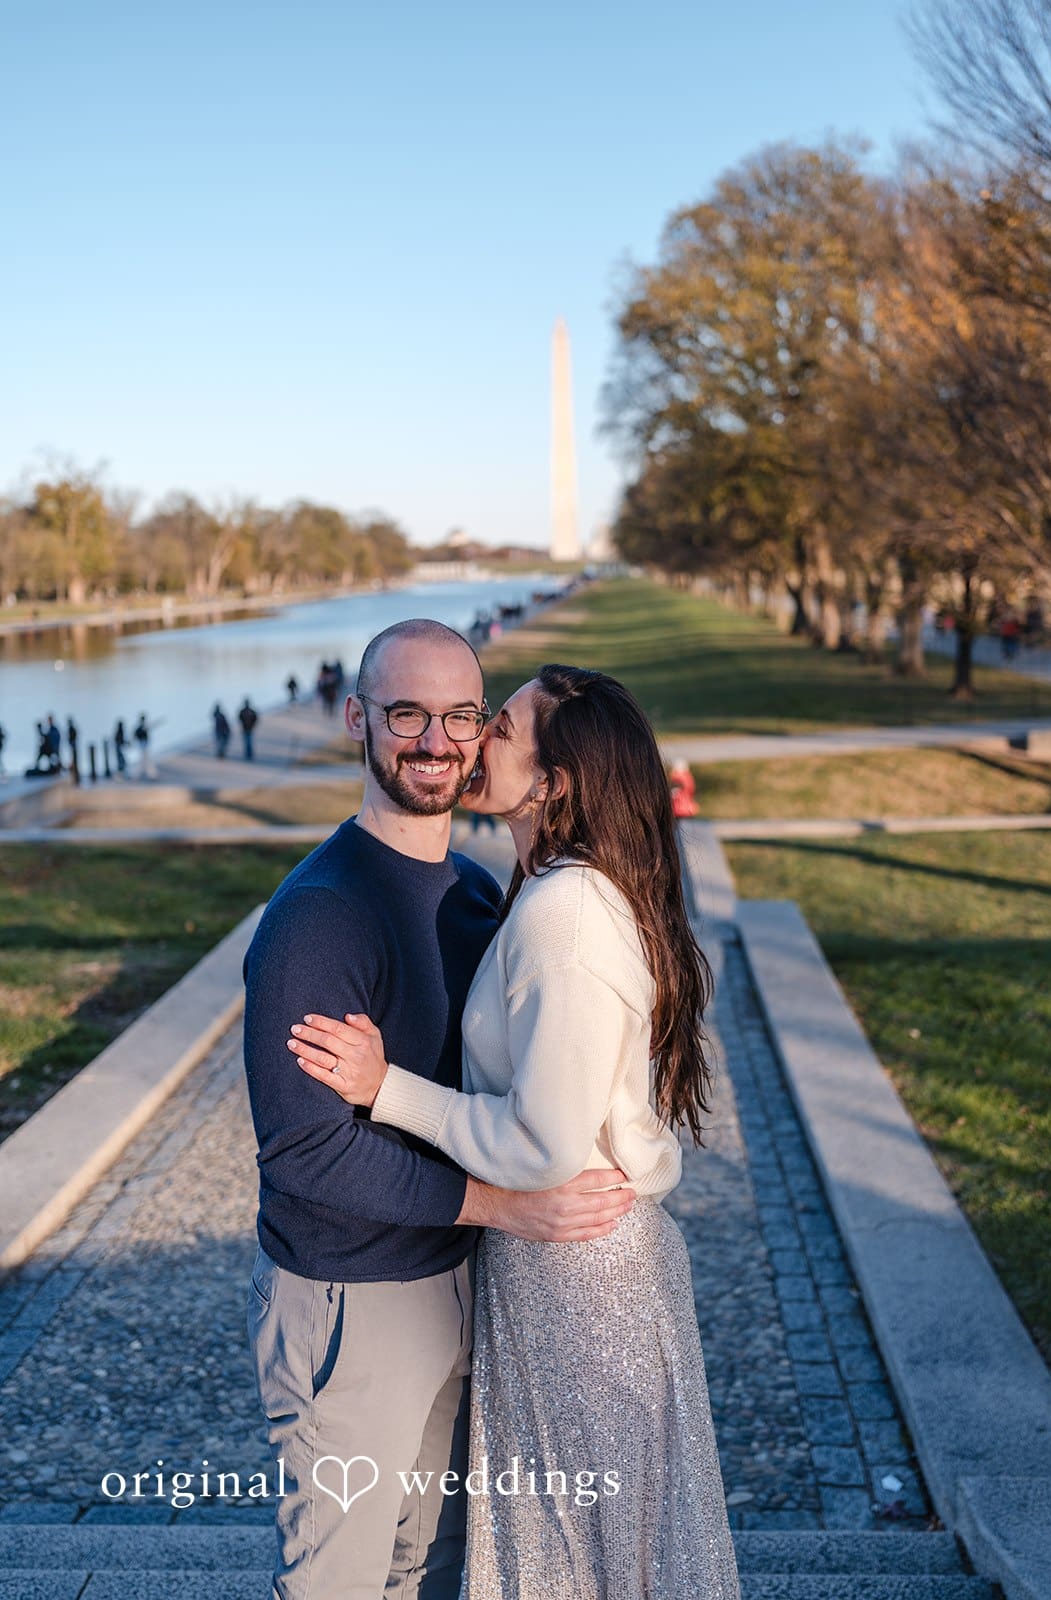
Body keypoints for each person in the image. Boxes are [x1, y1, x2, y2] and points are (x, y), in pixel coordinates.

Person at [290, 664, 741, 1599]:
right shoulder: (554, 889)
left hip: (579, 1280)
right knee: (598, 1547)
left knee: (578, 1547)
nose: (473, 737)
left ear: (554, 782)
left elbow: (542, 1146)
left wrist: (387, 1090)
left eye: (499, 725)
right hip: (573, 1268)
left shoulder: (566, 914)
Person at [243, 622, 634, 1600]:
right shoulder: (321, 916)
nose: (435, 741)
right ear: (357, 719)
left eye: (462, 715)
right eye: (407, 713)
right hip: (351, 1301)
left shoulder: (471, 891)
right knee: (338, 1580)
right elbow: (305, 1152)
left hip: (459, 1285)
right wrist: (506, 1206)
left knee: (429, 1570)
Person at [133, 713, 152, 779]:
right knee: (143, 760)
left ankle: (149, 774)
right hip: (142, 746)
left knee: (145, 760)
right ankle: (137, 774)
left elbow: (146, 737)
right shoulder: (139, 728)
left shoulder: (144, 727)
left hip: (144, 746)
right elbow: (136, 736)